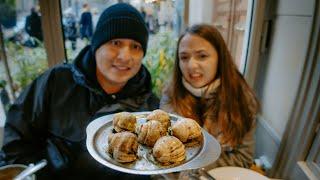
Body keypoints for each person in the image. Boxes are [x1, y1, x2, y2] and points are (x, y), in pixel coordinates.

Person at [0, 3, 158, 179]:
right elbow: (17, 140)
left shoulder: (149, 106)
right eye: (116, 42)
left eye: (135, 46)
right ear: (96, 45)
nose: (125, 56)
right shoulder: (57, 82)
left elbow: (148, 166)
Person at [160, 24, 260, 174]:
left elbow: (243, 157)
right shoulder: (171, 95)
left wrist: (197, 171)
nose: (192, 65)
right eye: (184, 57)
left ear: (220, 58)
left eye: (202, 56)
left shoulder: (241, 98)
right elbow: (160, 155)